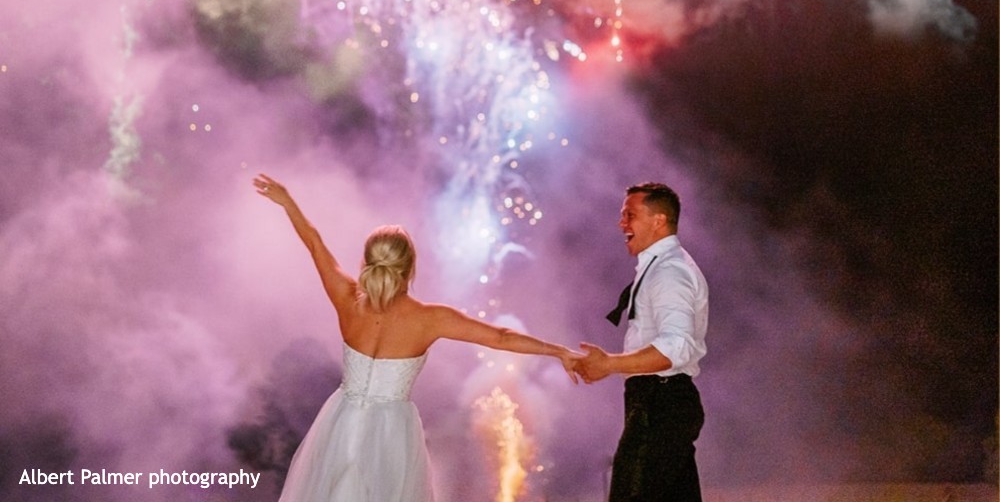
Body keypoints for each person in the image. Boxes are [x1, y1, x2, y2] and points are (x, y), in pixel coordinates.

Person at [252, 173, 579, 502]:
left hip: (341, 422)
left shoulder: (346, 298)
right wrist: (560, 351)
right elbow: (502, 338)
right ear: (411, 267)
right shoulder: (430, 318)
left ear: (366, 262)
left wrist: (288, 202)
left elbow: (314, 242)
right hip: (390, 432)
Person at [576, 182, 709, 502]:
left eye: (629, 215)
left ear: (658, 220)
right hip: (662, 403)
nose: (622, 224)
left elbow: (675, 347)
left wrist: (609, 363)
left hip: (659, 403)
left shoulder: (669, 271)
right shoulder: (662, 267)